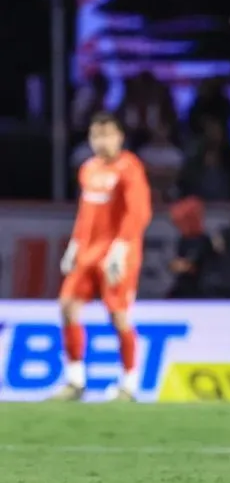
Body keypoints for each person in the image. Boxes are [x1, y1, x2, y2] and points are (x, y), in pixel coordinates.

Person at [54, 111, 153, 402]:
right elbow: (86, 214)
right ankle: (75, 380)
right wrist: (74, 245)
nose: (101, 141)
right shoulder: (88, 169)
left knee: (118, 315)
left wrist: (121, 248)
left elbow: (139, 212)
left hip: (118, 253)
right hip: (88, 251)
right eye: (96, 135)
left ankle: (129, 383)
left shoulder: (130, 168)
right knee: (67, 306)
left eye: (107, 135)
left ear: (119, 137)